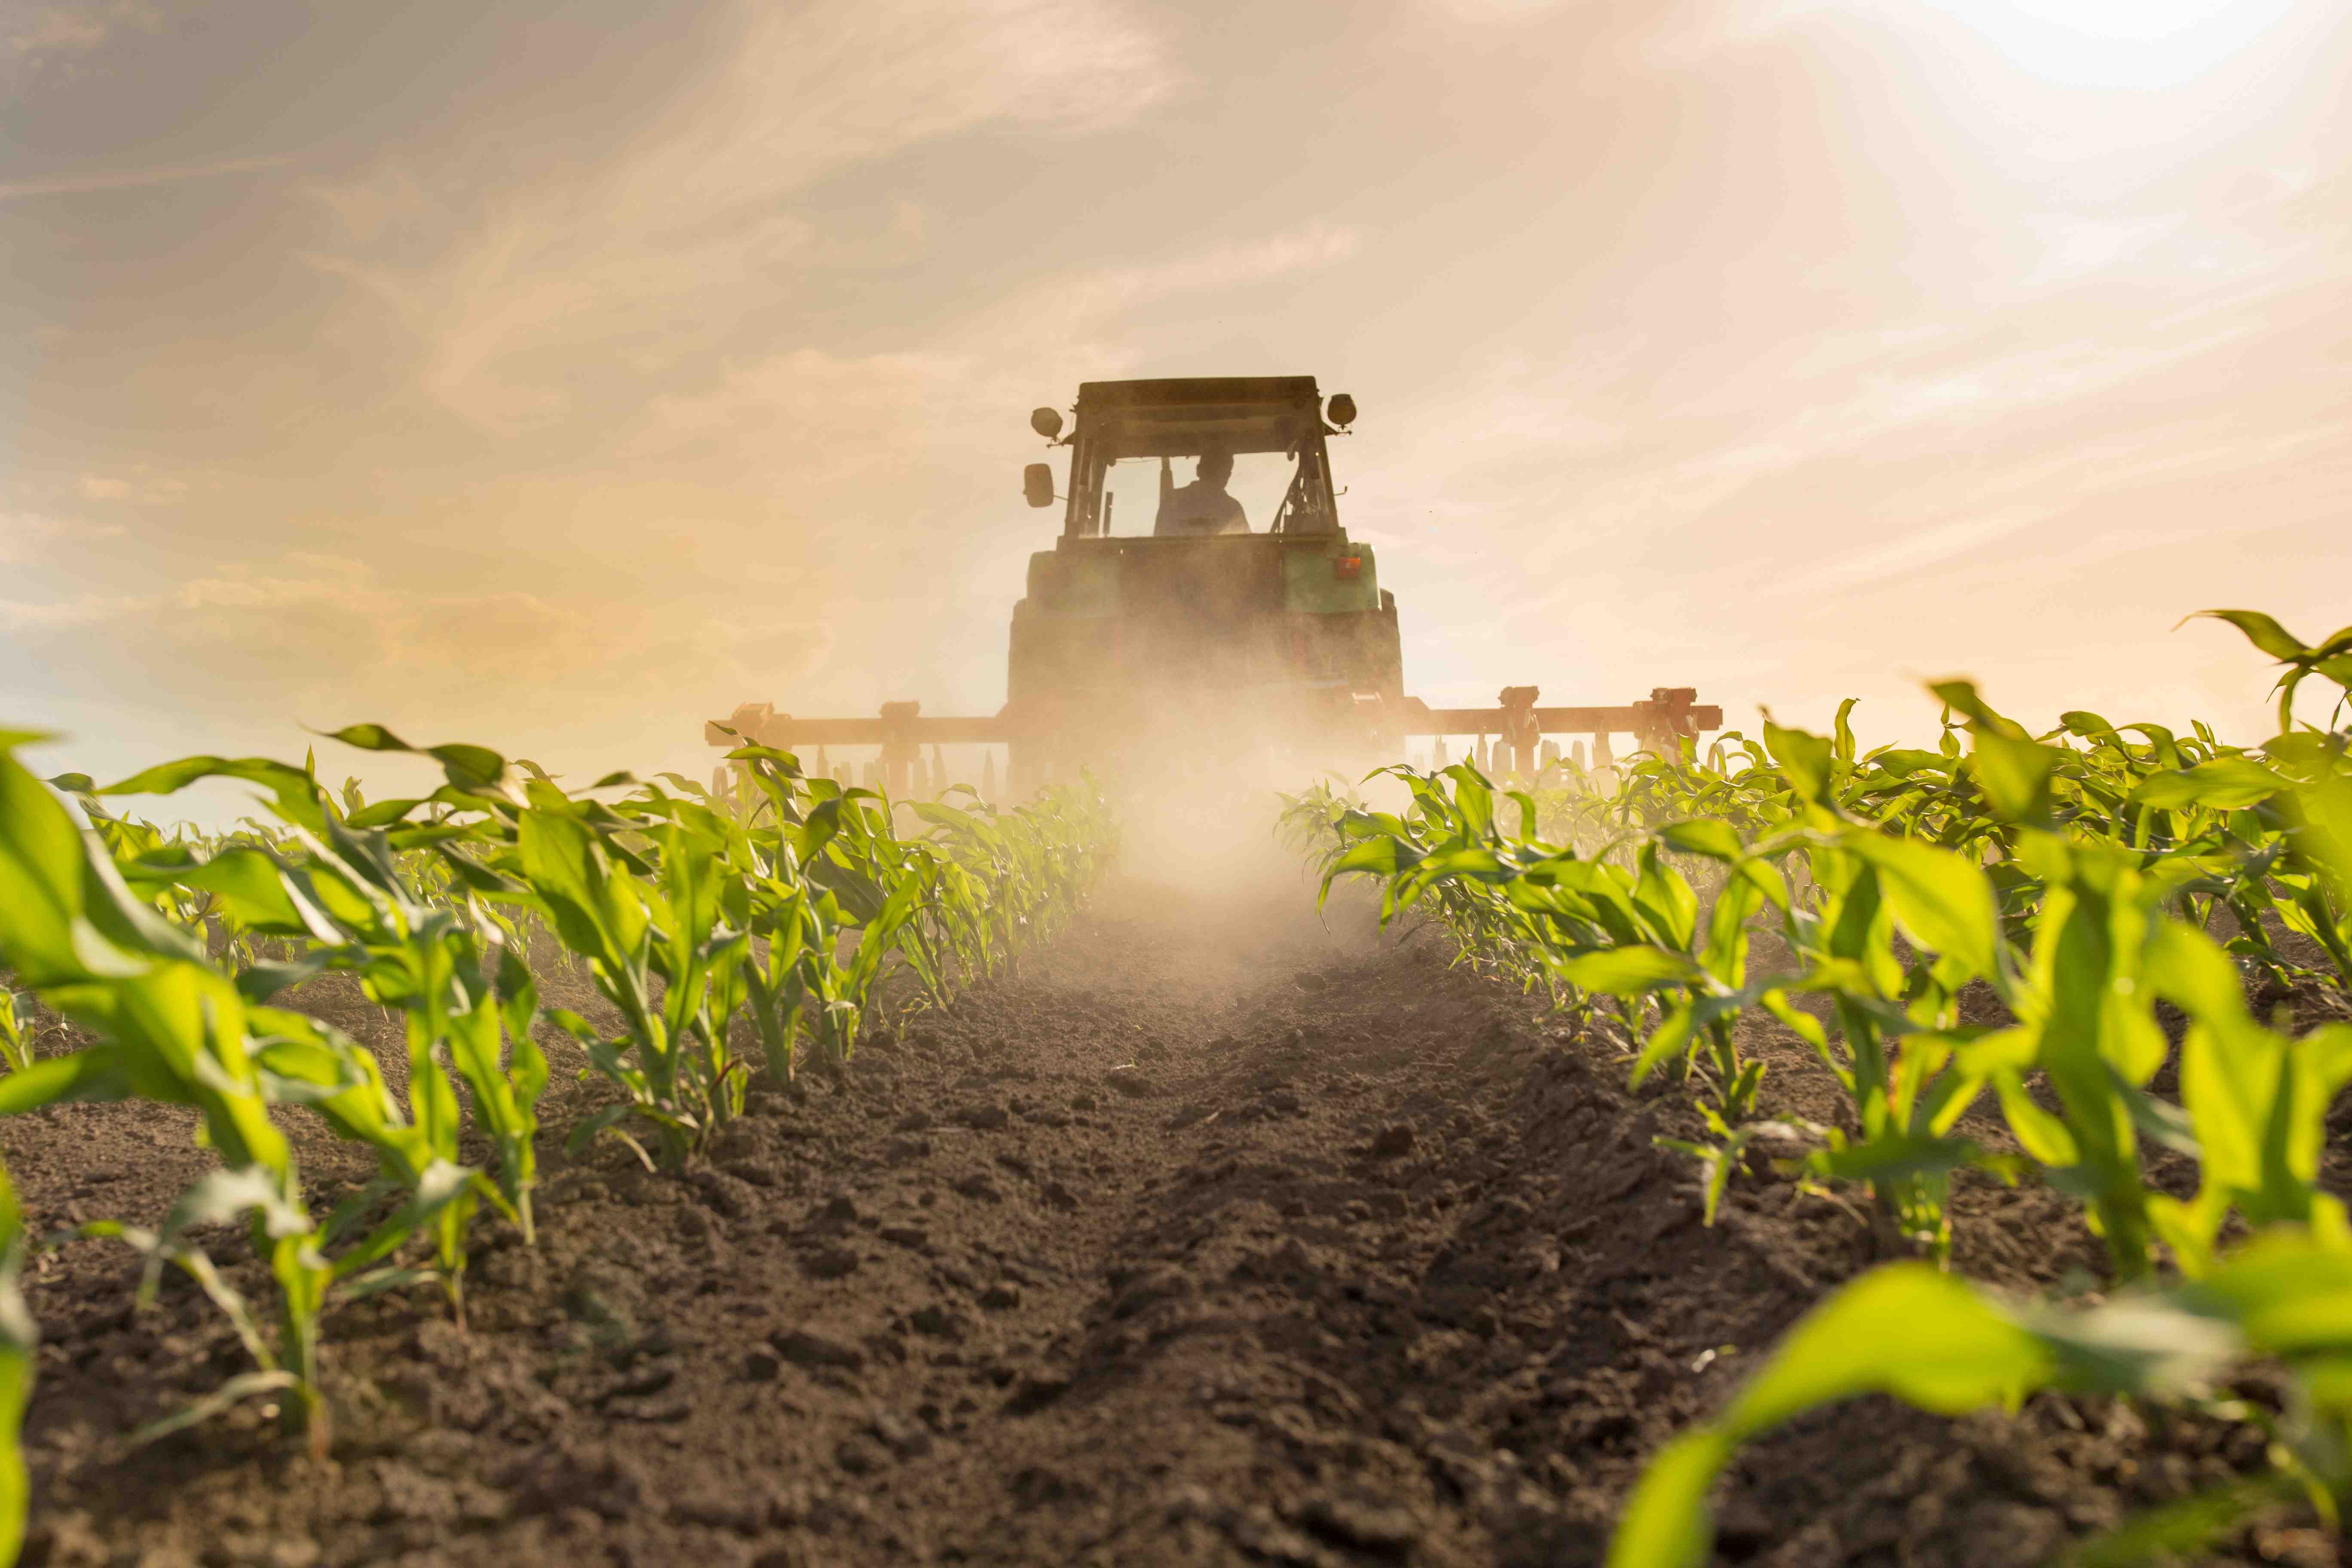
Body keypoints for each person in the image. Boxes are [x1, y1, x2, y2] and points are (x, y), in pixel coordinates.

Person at [1153, 449, 1248, 536]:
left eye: (1219, 471)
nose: (1215, 476)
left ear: (1198, 470)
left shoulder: (1171, 500)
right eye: (1211, 470)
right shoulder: (1233, 508)